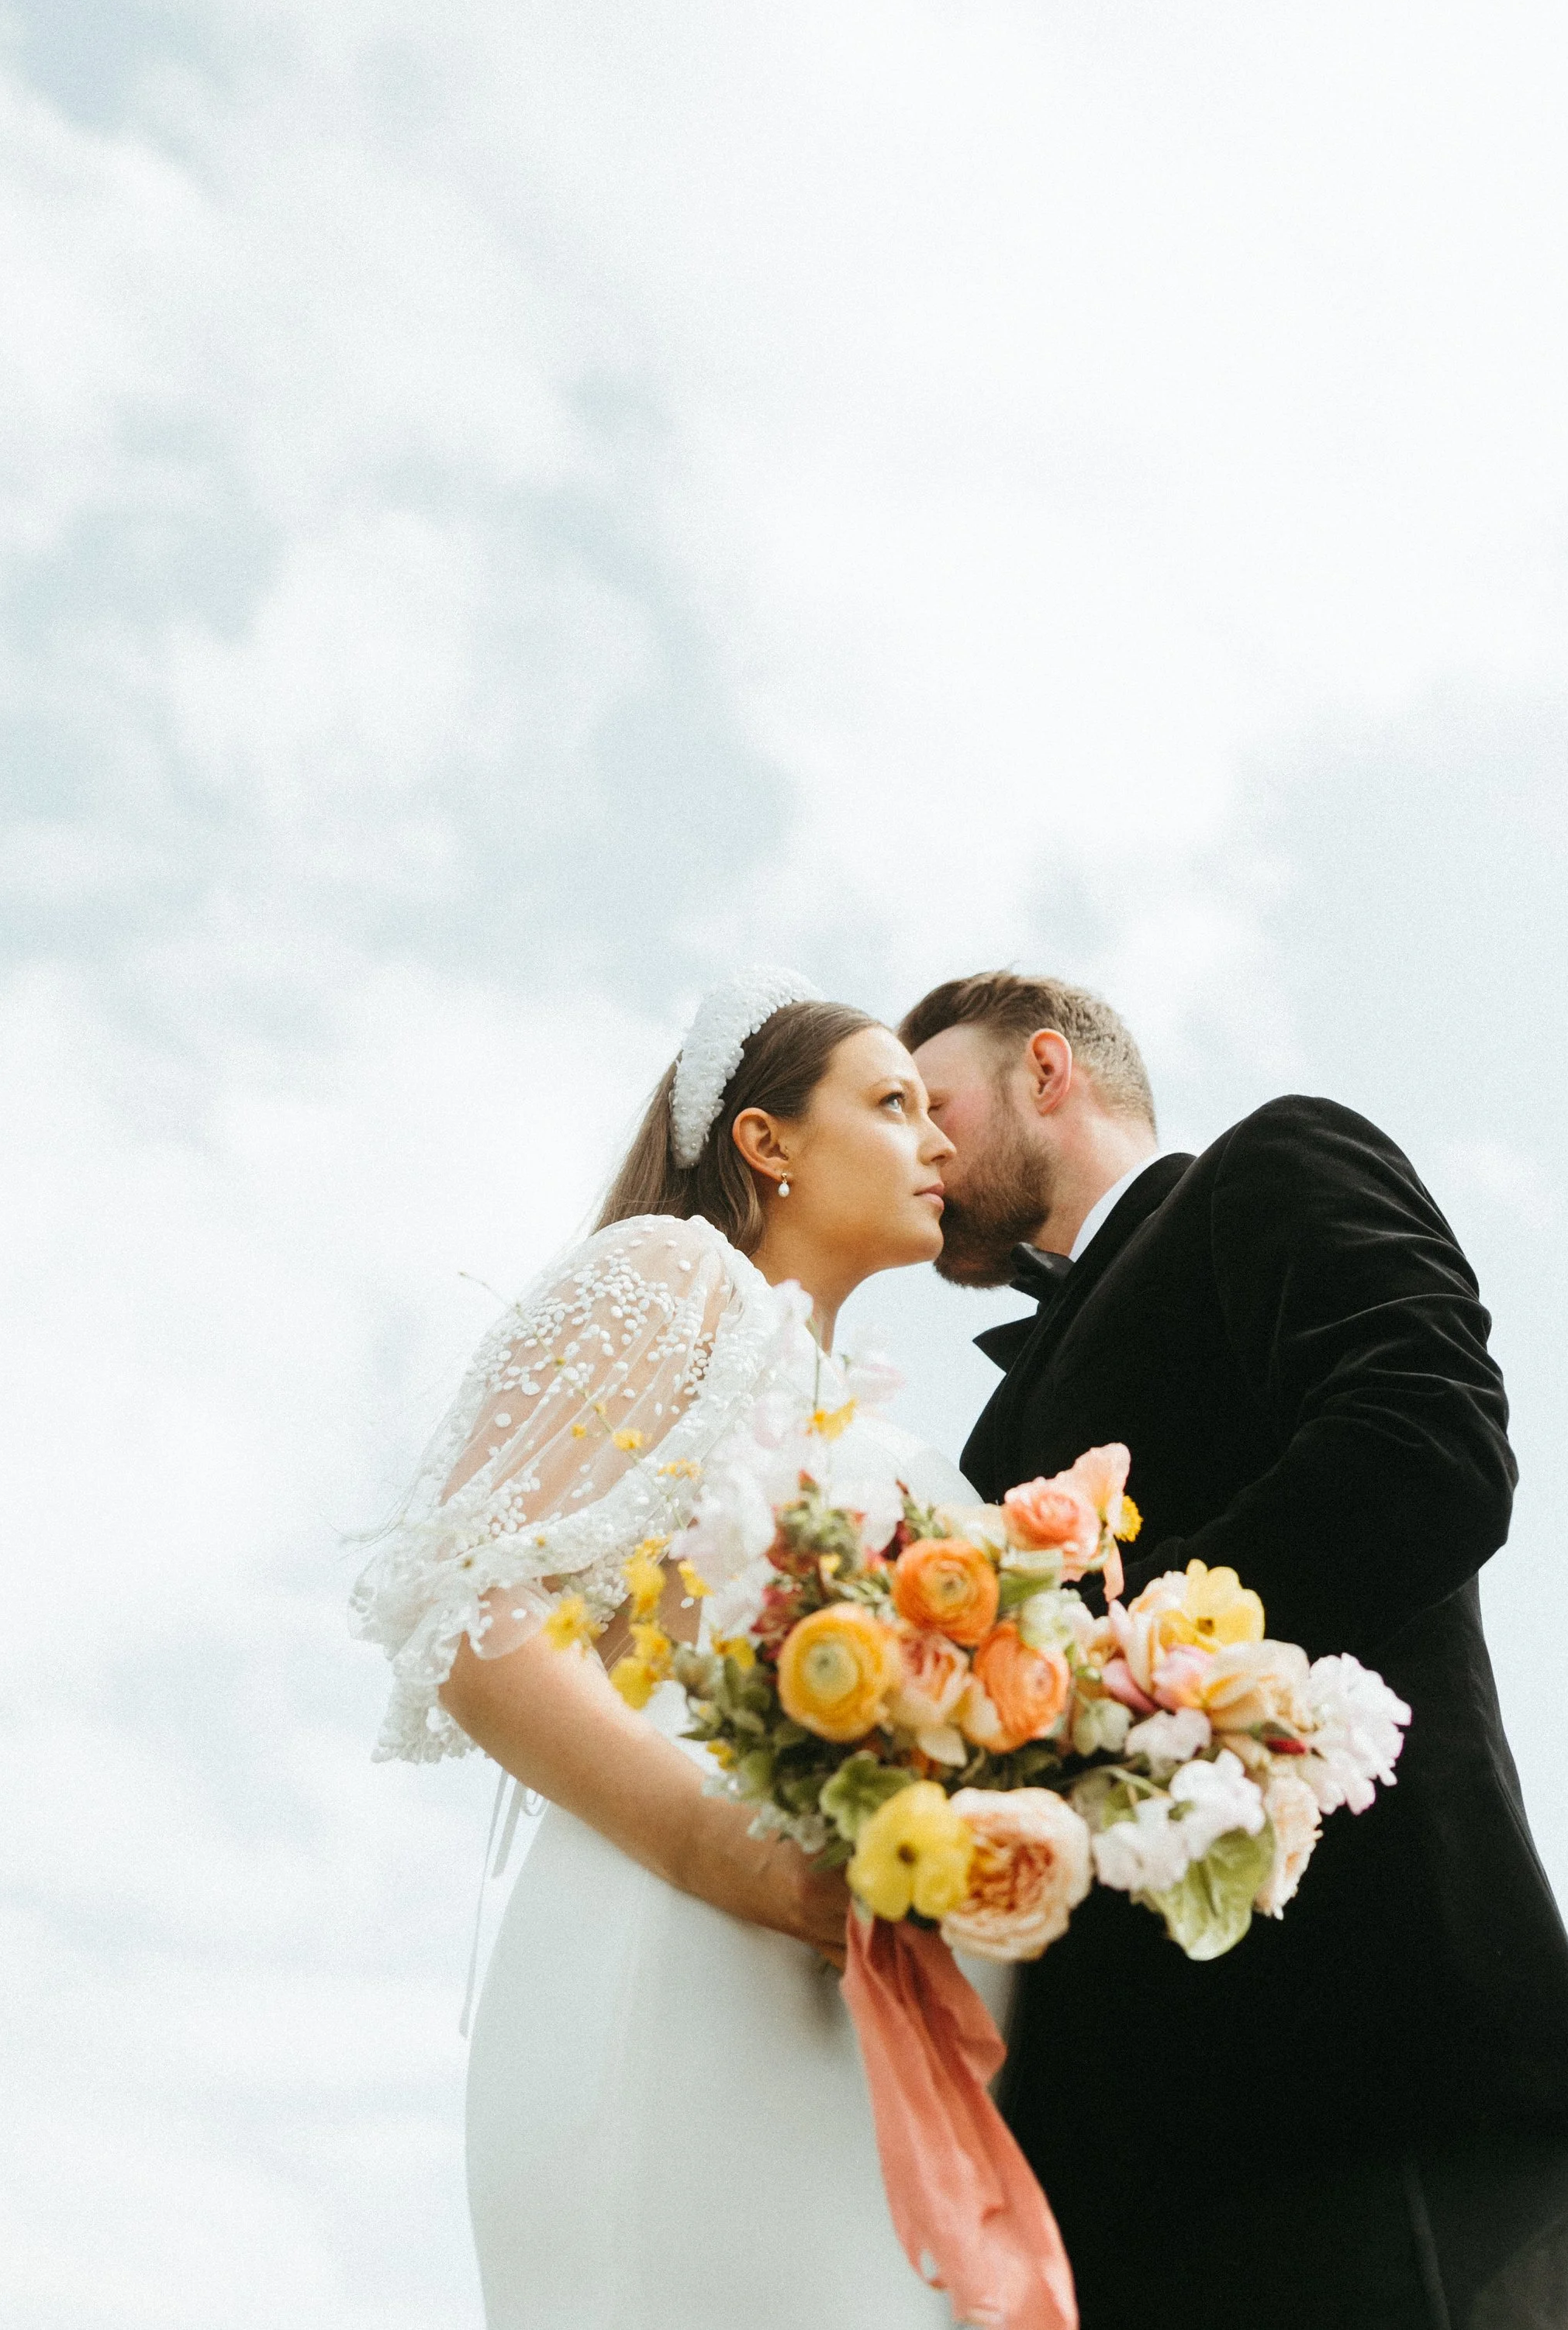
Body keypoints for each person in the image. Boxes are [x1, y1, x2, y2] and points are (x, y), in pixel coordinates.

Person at [900, 970, 1568, 2330]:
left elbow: (1425, 1448)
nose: (918, 1152)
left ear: (1047, 1070)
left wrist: (1116, 1674)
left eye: (934, 1107)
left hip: (1383, 2050)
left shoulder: (1272, 1164)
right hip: (1116, 2153)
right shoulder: (985, 1442)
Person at [351, 970, 1011, 2330]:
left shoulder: (896, 1435)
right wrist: (741, 1862)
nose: (937, 1141)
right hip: (683, 1933)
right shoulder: (672, 1279)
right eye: (893, 1104)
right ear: (765, 1144)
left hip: (873, 2017)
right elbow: (476, 1624)